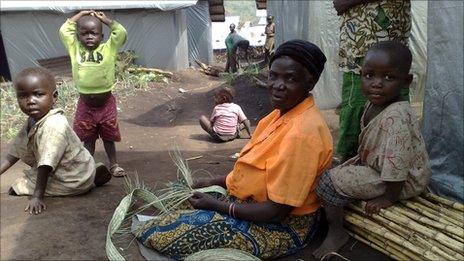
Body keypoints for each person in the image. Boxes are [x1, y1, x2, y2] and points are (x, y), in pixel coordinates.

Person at [133, 40, 333, 259]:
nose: (278, 85)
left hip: (282, 226)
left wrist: (218, 206)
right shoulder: (277, 116)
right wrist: (214, 181)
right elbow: (255, 171)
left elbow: (275, 212)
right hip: (250, 205)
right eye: (273, 76)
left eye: (291, 78)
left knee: (161, 233)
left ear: (310, 82)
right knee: (180, 196)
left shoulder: (303, 134)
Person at [313, 41, 431, 258]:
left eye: (388, 77)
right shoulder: (374, 104)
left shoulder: (397, 119)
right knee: (327, 168)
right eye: (369, 76)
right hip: (380, 168)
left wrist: (388, 198)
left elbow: (398, 163)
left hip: (401, 181)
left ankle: (336, 233)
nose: (376, 84)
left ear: (406, 81)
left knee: (328, 182)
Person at [0, 67, 112, 215]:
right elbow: (16, 151)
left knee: (16, 188)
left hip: (70, 179)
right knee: (30, 177)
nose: (30, 101)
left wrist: (37, 197)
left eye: (38, 94)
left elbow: (46, 164)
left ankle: (87, 184)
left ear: (54, 97)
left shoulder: (54, 125)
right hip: (79, 167)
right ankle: (90, 177)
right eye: (23, 96)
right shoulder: (32, 120)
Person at [335, 0, 411, 162]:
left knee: (393, 98)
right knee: (356, 98)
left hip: (385, 30)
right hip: (357, 38)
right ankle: (352, 155)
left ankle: (395, 158)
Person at [59, 10, 127, 177]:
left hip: (106, 104)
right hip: (85, 105)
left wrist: (106, 20)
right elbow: (64, 30)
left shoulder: (108, 48)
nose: (89, 37)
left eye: (94, 33)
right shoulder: (74, 48)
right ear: (78, 36)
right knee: (88, 138)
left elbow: (121, 33)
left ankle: (114, 165)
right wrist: (80, 14)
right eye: (84, 34)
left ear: (101, 36)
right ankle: (89, 167)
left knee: (108, 137)